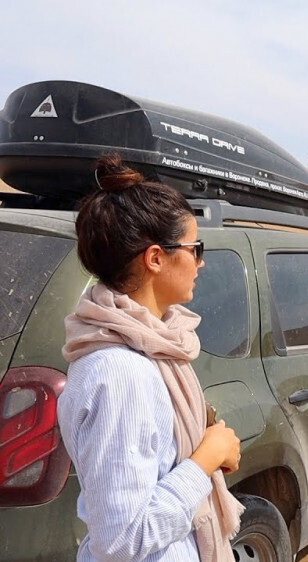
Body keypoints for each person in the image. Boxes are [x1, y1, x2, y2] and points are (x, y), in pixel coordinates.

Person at [57, 153, 244, 561]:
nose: (202, 261)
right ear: (156, 257)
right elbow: (123, 540)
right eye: (195, 248)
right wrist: (205, 458)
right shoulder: (122, 372)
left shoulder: (150, 348)